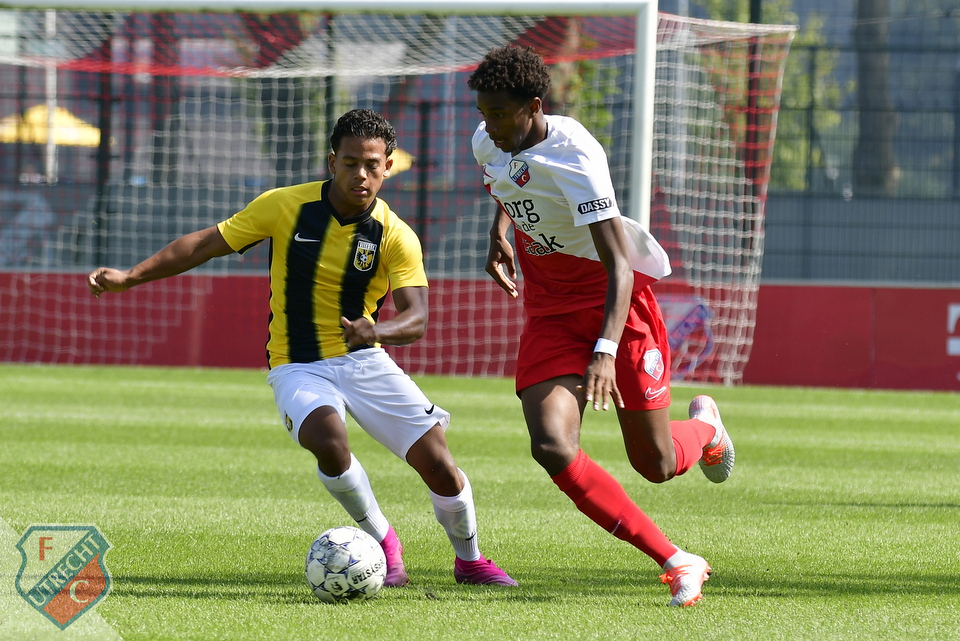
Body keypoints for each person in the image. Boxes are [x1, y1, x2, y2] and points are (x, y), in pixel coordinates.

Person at [87, 108, 516, 588]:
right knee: (329, 442)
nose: (361, 174)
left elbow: (416, 318)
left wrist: (375, 333)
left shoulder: (395, 235)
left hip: (363, 358)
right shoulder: (284, 205)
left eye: (372, 165)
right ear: (332, 162)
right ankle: (384, 543)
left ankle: (470, 561)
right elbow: (206, 244)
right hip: (297, 364)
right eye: (350, 163)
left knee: (439, 465)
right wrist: (130, 277)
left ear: (388, 167)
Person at [467, 46, 734, 606]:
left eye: (499, 114)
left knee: (656, 464)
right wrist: (499, 232)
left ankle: (706, 427)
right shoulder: (489, 139)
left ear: (534, 105)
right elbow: (508, 181)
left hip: (615, 305)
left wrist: (606, 350)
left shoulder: (576, 156)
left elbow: (619, 266)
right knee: (551, 445)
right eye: (483, 113)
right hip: (550, 310)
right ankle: (677, 560)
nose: (488, 126)